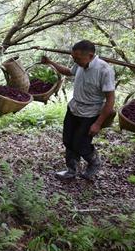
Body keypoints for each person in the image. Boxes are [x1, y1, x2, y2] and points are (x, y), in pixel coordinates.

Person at [41, 40, 116, 181]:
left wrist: (98, 124)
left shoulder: (104, 70)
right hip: (74, 108)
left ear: (91, 55)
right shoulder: (80, 63)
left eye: (77, 58)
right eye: (73, 58)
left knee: (81, 144)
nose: (75, 60)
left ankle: (94, 162)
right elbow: (69, 72)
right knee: (68, 140)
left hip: (90, 113)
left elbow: (110, 100)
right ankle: (71, 170)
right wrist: (50, 63)